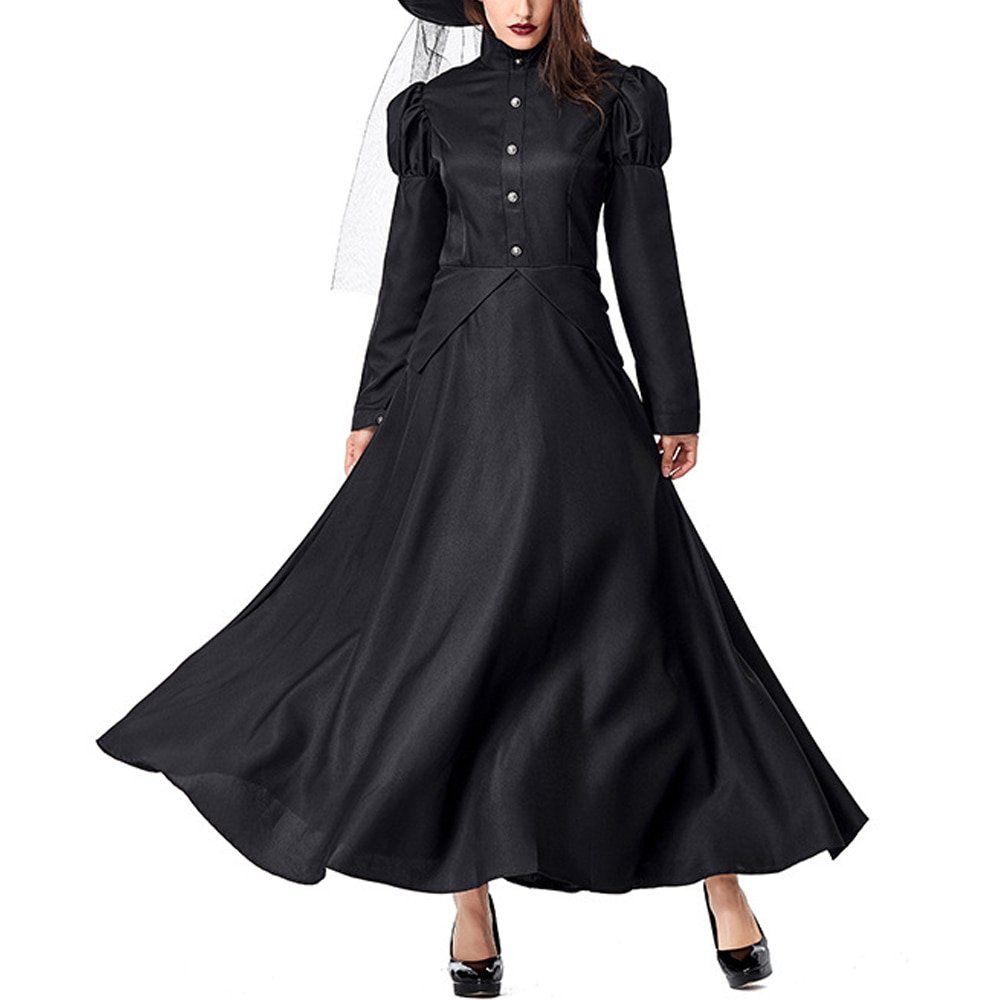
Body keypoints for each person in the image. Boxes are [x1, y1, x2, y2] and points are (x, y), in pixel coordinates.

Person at [96, 1, 869, 995]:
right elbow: (406, 271)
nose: (521, 5)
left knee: (646, 633)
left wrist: (674, 399)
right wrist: (373, 405)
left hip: (577, 387)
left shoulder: (617, 101)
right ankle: (467, 898)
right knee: (449, 646)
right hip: (453, 395)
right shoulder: (432, 111)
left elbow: (645, 257)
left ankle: (722, 874)